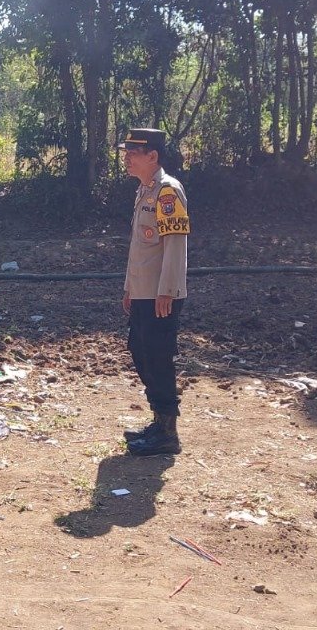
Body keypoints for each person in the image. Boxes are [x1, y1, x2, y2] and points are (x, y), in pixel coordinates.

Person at [118, 128, 189, 456]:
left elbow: (175, 246)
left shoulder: (167, 192)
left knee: (158, 358)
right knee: (140, 350)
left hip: (161, 295)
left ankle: (167, 433)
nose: (127, 157)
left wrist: (168, 291)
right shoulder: (144, 190)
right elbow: (140, 250)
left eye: (134, 152)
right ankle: (159, 421)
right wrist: (130, 288)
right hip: (143, 292)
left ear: (153, 157)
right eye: (126, 152)